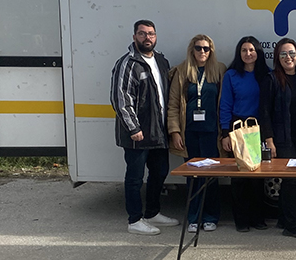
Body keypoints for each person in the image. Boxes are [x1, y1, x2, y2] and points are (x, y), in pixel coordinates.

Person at [110, 20, 179, 235]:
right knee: (135, 178)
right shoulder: (128, 63)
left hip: (158, 131)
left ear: (155, 37)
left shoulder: (161, 61)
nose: (147, 38)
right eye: (142, 34)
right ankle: (134, 220)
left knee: (160, 172)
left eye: (151, 34)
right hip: (138, 134)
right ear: (134, 37)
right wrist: (133, 128)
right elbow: (120, 99)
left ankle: (152, 213)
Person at [167, 34, 226, 233]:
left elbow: (224, 102)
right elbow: (173, 104)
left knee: (211, 176)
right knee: (193, 176)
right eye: (198, 48)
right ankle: (193, 217)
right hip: (190, 133)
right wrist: (175, 131)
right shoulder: (182, 71)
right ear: (192, 50)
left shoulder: (219, 70)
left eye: (206, 48)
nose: (202, 52)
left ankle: (210, 216)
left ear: (211, 51)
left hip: (212, 133)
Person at [259, 37, 296, 238]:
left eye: (291, 53)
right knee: (291, 181)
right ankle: (292, 225)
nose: (288, 57)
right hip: (282, 139)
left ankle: (283, 218)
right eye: (283, 54)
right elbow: (264, 111)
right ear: (277, 58)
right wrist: (269, 140)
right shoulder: (271, 79)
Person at [219, 36, 270, 233]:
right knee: (240, 177)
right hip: (238, 129)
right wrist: (225, 133)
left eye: (252, 50)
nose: (248, 54)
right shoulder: (231, 75)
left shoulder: (267, 75)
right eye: (244, 50)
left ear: (258, 52)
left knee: (258, 175)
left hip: (260, 129)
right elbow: (225, 105)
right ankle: (241, 220)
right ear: (239, 53)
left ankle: (258, 218)